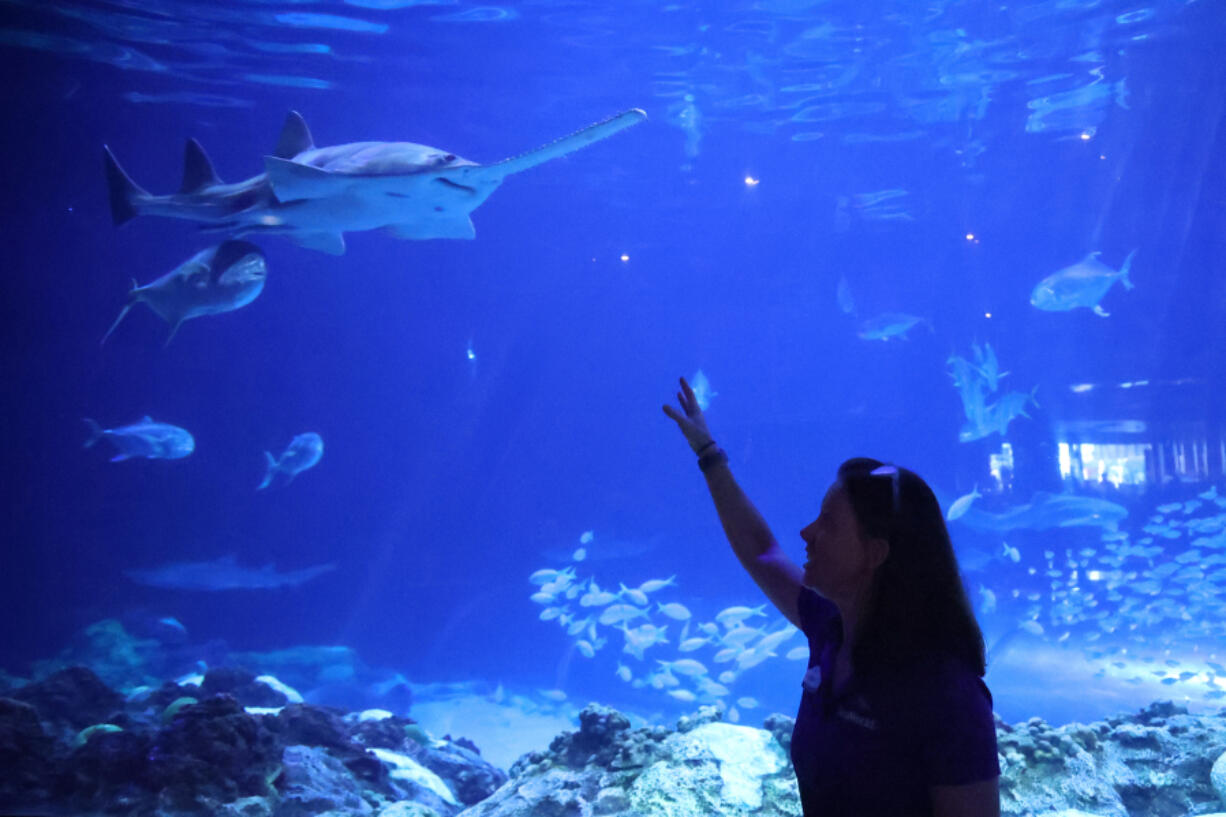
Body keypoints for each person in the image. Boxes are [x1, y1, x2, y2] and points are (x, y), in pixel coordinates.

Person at [663, 376, 1001, 817]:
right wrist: (709, 456)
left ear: (876, 553)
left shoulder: (947, 696)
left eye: (829, 523)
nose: (806, 533)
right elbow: (762, 552)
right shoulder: (830, 632)